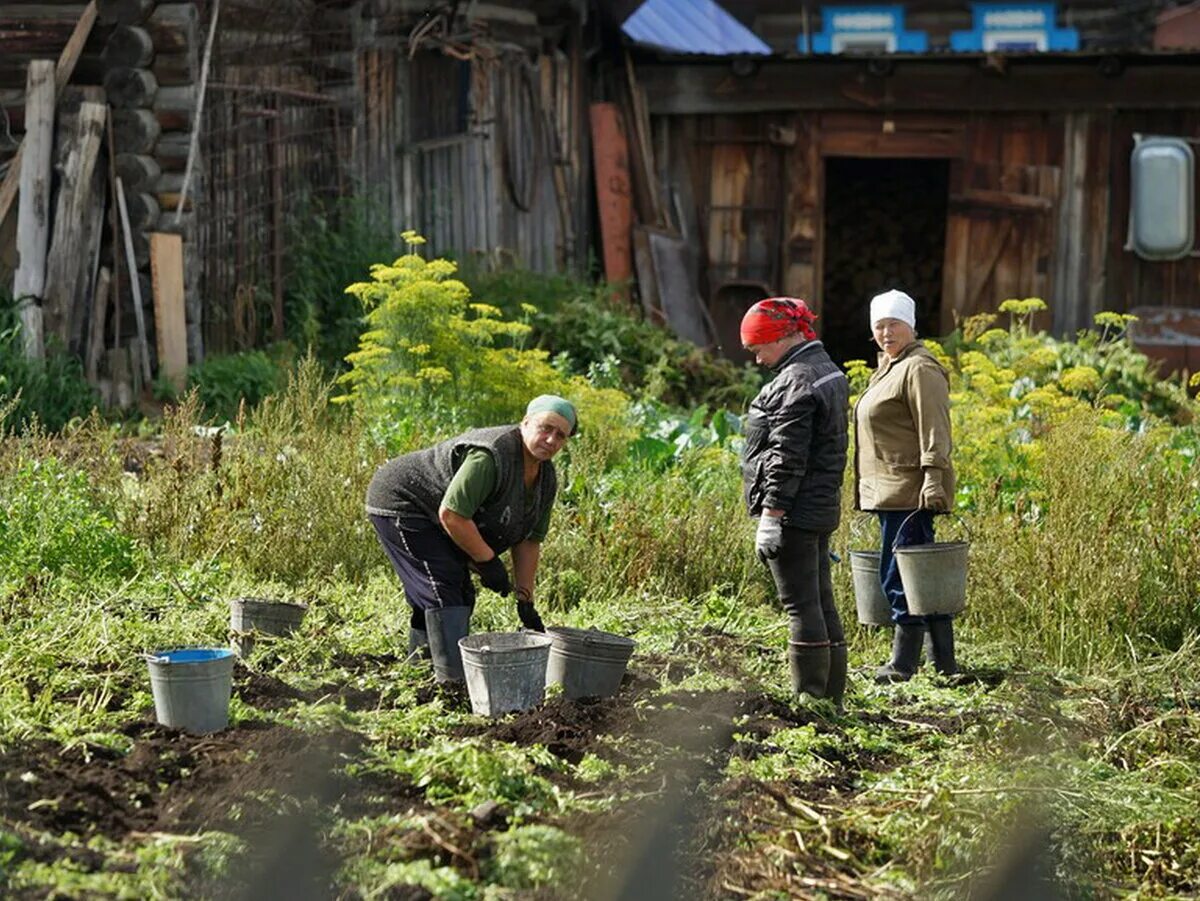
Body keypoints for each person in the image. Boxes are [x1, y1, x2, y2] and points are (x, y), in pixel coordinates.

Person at [364, 395, 576, 681]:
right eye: (545, 428)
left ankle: (420, 670)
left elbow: (528, 541)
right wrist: (487, 561)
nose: (551, 439)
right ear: (525, 423)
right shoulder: (492, 455)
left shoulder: (545, 479)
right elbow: (452, 514)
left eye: (560, 435)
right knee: (442, 587)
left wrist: (525, 600)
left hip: (440, 516)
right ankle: (451, 684)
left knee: (458, 592)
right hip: (402, 499)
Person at [740, 298, 851, 707]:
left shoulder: (796, 380)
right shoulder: (826, 370)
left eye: (757, 349)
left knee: (800, 605)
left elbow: (788, 456)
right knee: (821, 599)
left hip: (795, 510)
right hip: (819, 505)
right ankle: (832, 697)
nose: (756, 359)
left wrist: (771, 515)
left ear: (780, 337)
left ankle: (811, 697)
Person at [853, 289, 957, 682]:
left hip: (909, 489)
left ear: (911, 326)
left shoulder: (919, 369)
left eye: (893, 324)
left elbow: (935, 429)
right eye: (878, 325)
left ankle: (904, 663)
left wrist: (933, 480)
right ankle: (941, 663)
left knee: (902, 573)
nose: (885, 331)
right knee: (914, 573)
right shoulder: (889, 366)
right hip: (889, 489)